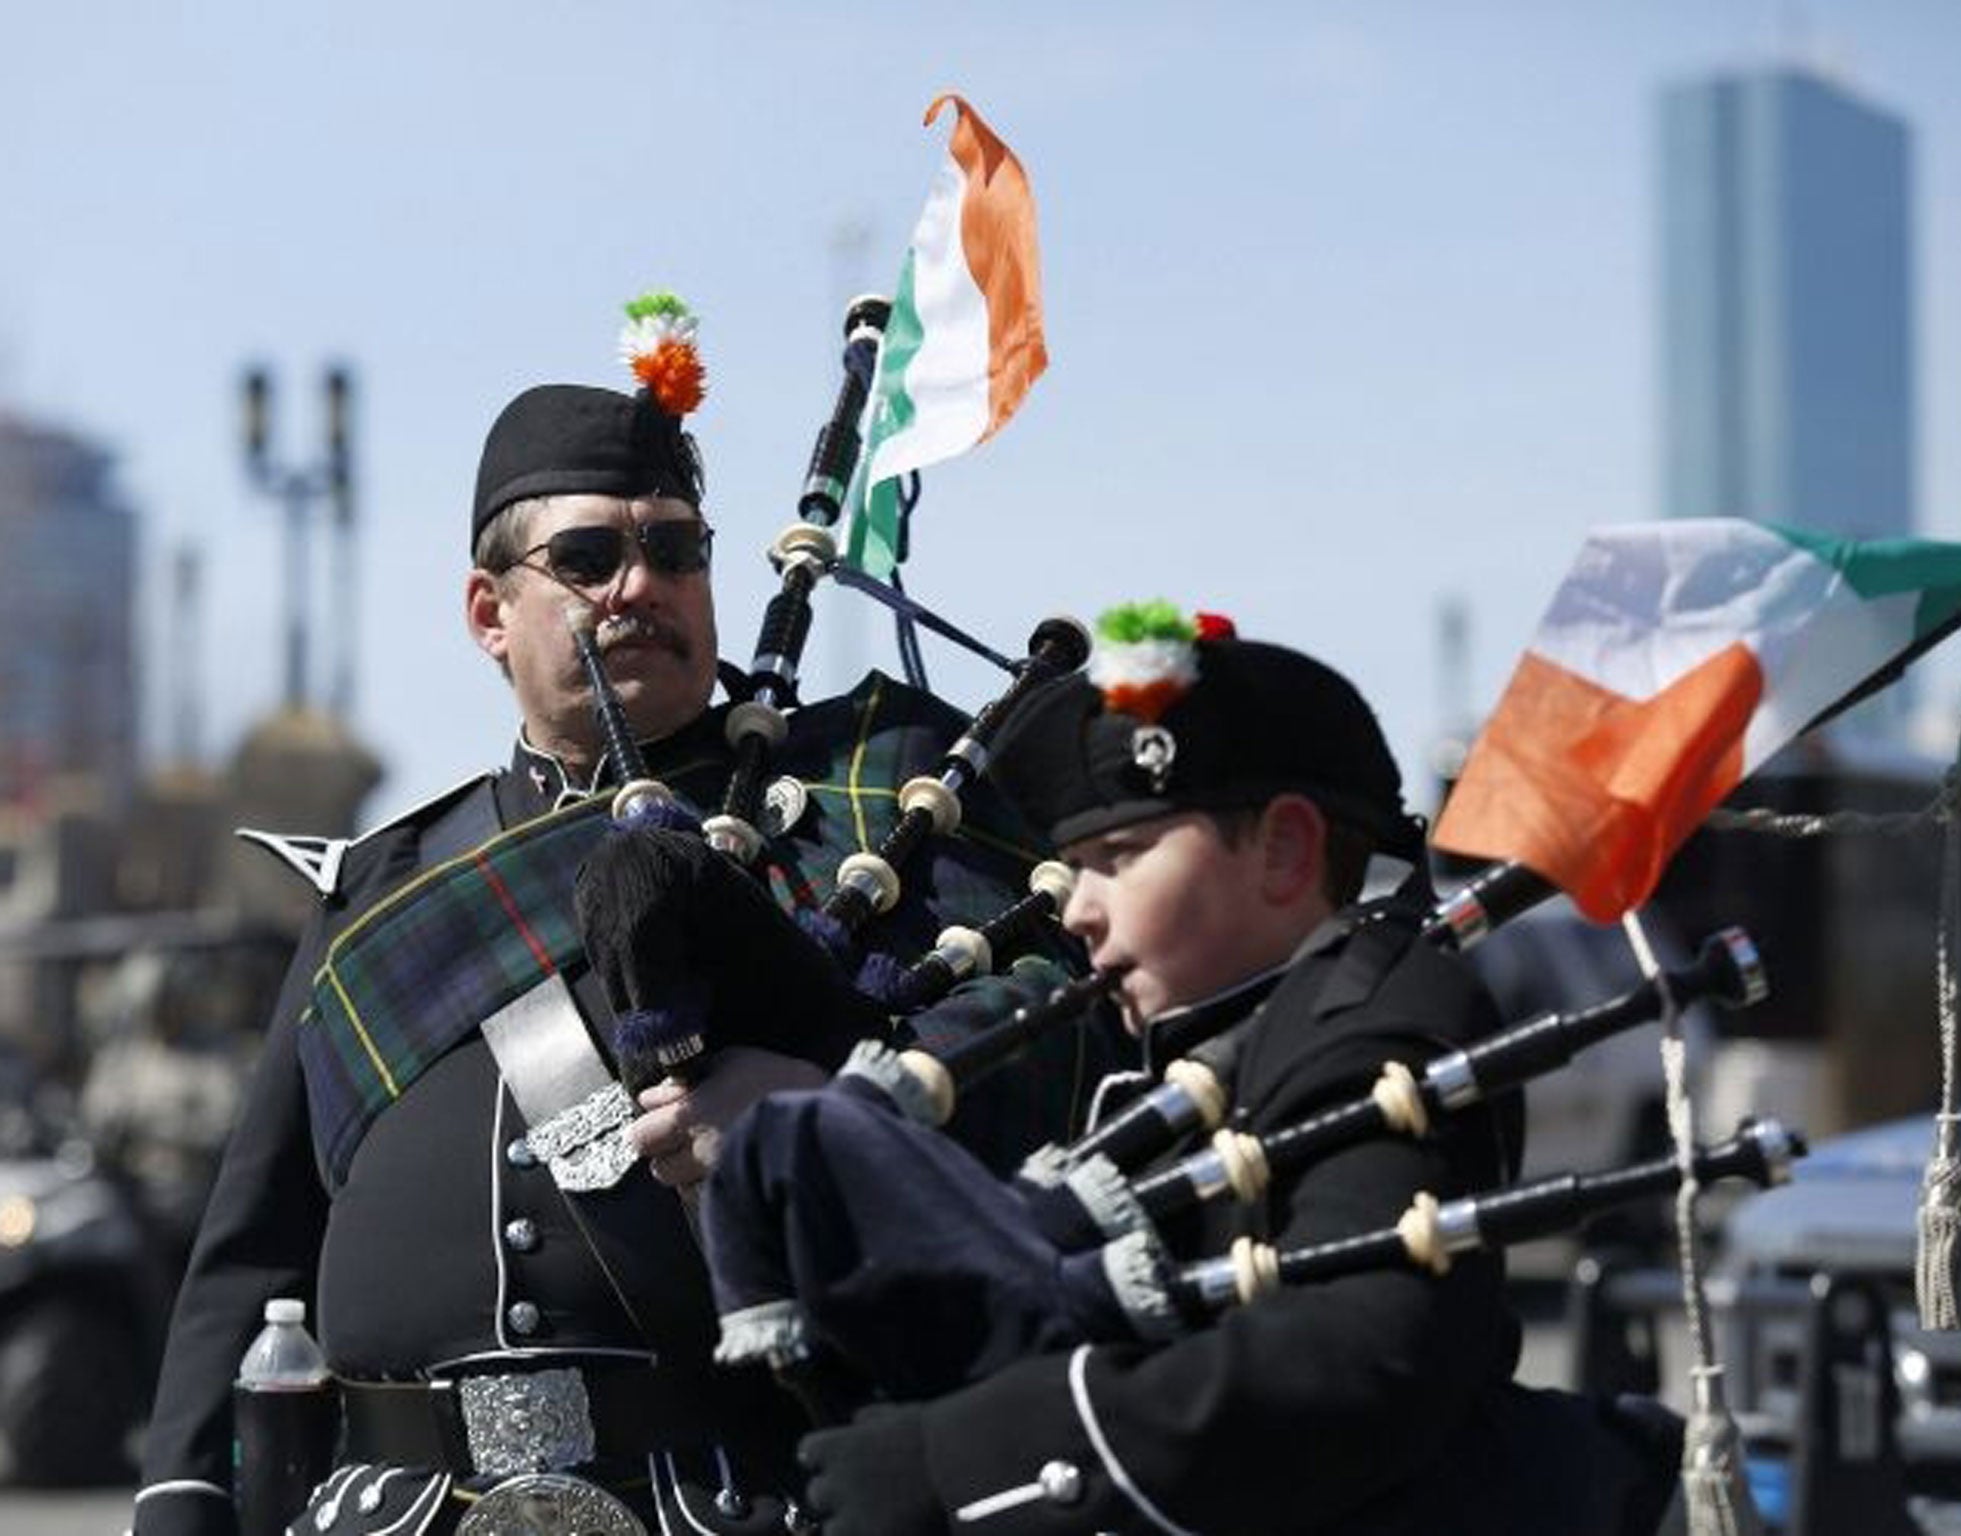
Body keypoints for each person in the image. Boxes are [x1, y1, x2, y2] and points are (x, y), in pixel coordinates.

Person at [131, 361, 1105, 1536]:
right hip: (397, 1510)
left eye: (677, 550)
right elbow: (255, 1246)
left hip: (724, 1494)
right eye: (588, 559)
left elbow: (1068, 1020)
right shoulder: (389, 878)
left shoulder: (867, 788)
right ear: (489, 613)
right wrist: (183, 1503)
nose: (640, 585)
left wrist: (842, 1105)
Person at [785, 605, 1679, 1535]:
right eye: (1073, 867)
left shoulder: (1379, 1017)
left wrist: (966, 1459)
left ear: (1285, 849)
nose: (1079, 909)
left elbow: (1360, 1358)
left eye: (1119, 857)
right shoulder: (1176, 1049)